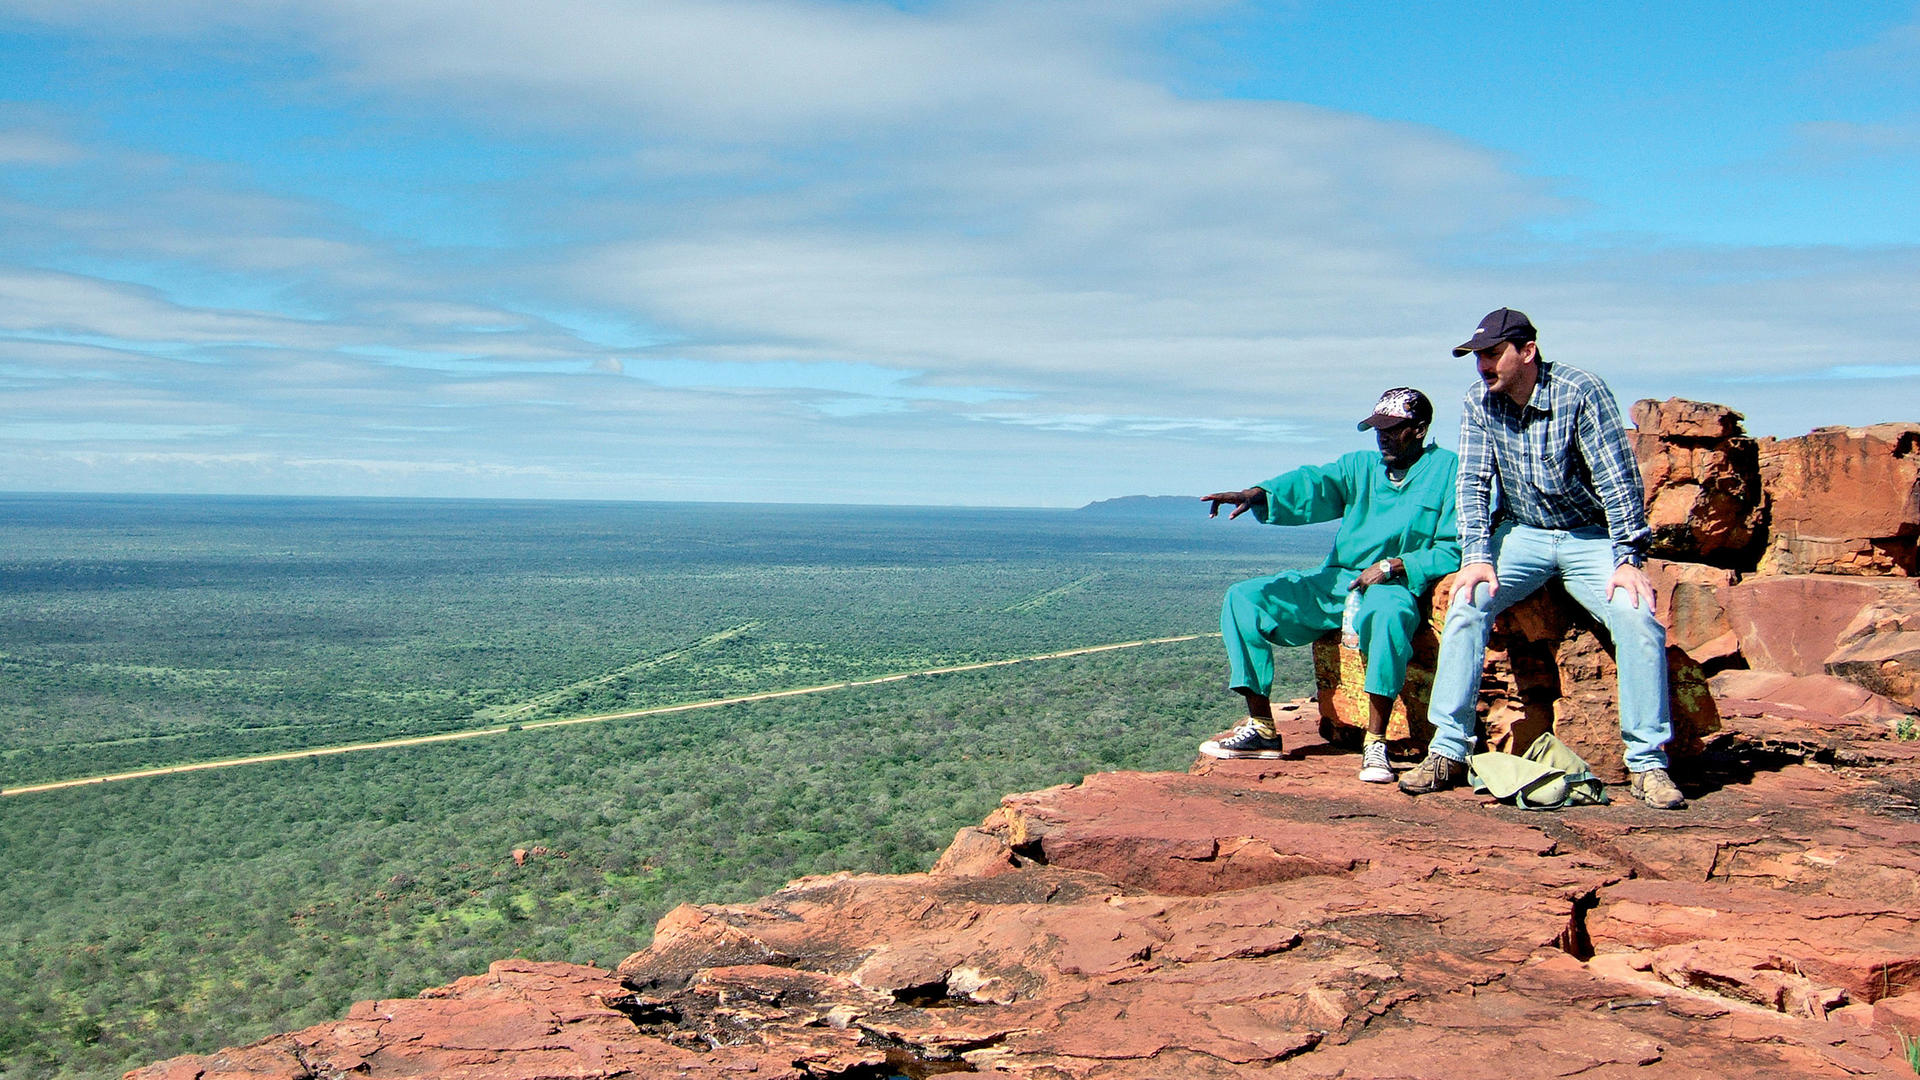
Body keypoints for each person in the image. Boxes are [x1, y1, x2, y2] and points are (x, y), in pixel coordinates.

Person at [1397, 308, 1686, 809]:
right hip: (1523, 534)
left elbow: (1619, 482)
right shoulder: (1478, 402)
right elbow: (1472, 482)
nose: (1483, 366)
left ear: (1526, 351)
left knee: (1637, 618)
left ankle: (1648, 764)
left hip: (1590, 537)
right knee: (1468, 600)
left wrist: (1627, 558)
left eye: (1492, 354)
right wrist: (1477, 555)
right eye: (1477, 356)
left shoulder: (1580, 392)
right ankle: (1448, 750)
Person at [1200, 388, 1460, 783]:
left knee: (1387, 614)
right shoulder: (1361, 467)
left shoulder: (1448, 471)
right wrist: (1259, 494)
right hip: (1338, 580)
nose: (1383, 437)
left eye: (1394, 429)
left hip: (1395, 584)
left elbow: (1453, 546)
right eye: (1378, 429)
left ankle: (1375, 743)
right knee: (1244, 599)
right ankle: (1263, 730)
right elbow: (1314, 484)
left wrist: (1395, 565)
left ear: (1420, 429)